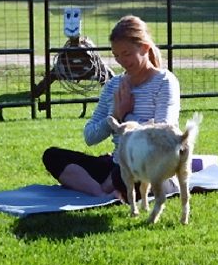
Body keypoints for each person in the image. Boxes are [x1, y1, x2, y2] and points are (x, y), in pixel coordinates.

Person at [42, 15, 181, 198]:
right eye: (116, 55)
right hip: (117, 163)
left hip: (150, 164)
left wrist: (126, 119)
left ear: (145, 48)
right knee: (53, 156)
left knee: (129, 171)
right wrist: (115, 114)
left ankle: (114, 185)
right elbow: (90, 136)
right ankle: (102, 193)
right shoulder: (113, 85)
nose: (121, 61)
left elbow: (162, 134)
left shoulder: (165, 81)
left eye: (127, 54)